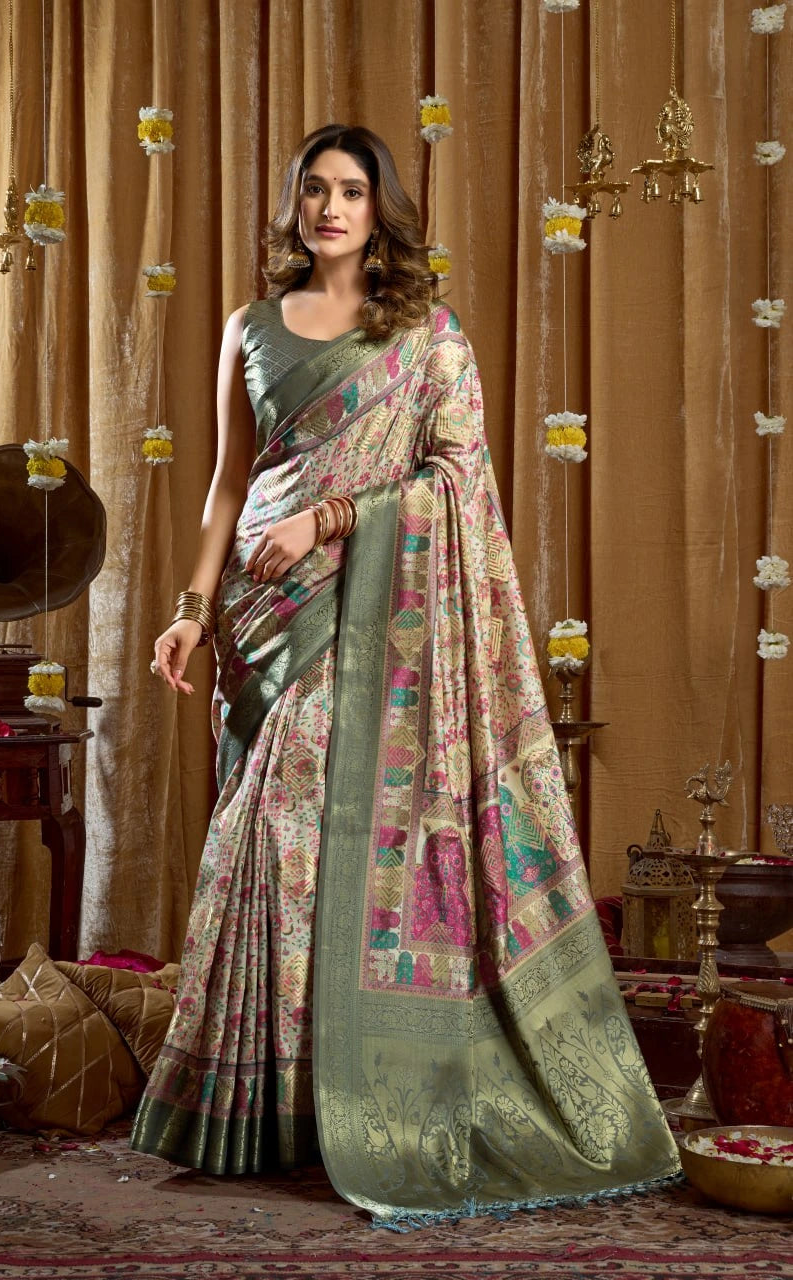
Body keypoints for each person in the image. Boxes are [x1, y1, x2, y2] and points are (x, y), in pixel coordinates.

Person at [130, 123, 680, 1226]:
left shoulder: (425, 337)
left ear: (380, 210)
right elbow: (227, 487)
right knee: (269, 849)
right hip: (262, 615)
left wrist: (333, 519)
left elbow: (456, 482)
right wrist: (190, 612)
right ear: (293, 206)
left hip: (369, 612)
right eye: (315, 191)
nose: (331, 208)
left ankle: (344, 1096)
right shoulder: (249, 326)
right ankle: (263, 1106)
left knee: (322, 835)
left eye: (352, 191)